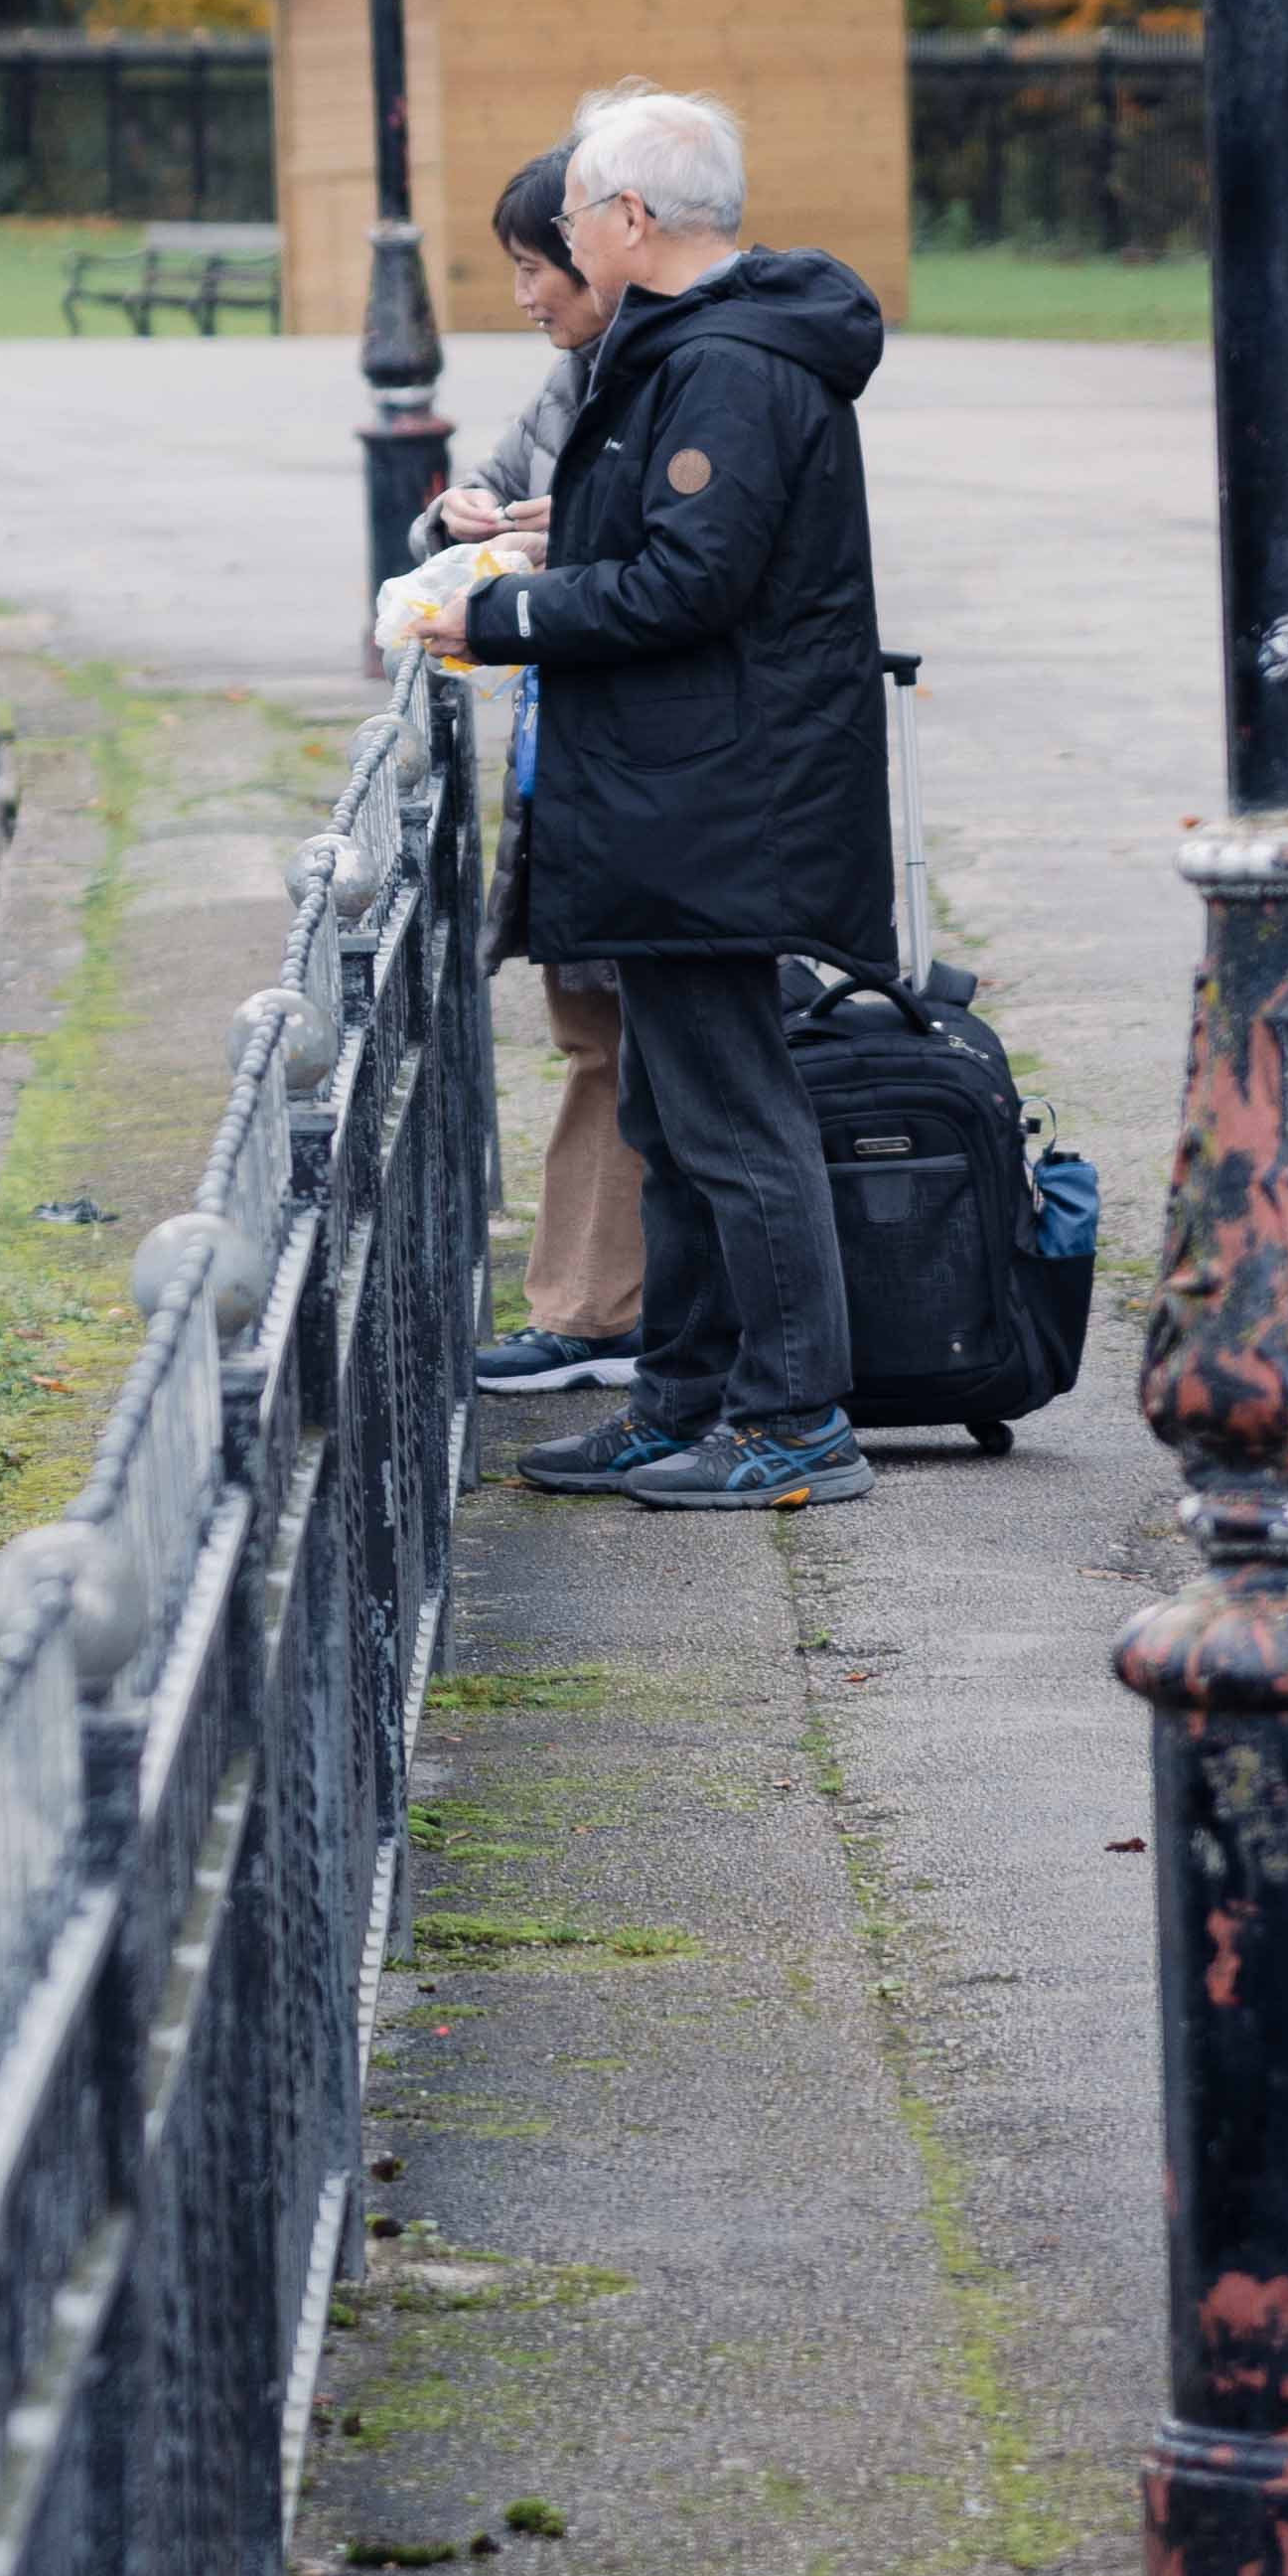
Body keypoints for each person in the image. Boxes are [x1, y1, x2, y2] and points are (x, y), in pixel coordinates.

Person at [389, 79, 897, 1513]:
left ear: (627, 219)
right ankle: (678, 1403)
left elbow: (695, 583)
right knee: (674, 1119)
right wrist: (564, 530)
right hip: (684, 798)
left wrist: (492, 621)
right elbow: (686, 538)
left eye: (565, 220)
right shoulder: (686, 348)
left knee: (735, 1118)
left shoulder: (729, 362)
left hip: (720, 805)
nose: (554, 239)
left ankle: (799, 1419)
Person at [434, 145, 645, 1419]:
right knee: (595, 1033)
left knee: (621, 1040)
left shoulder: (665, 373)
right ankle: (590, 1312)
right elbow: (487, 494)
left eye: (533, 265)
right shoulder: (575, 377)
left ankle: (593, 1316)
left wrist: (558, 542)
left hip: (633, 763)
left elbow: (669, 556)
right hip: (569, 753)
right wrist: (463, 513)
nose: (521, 293)